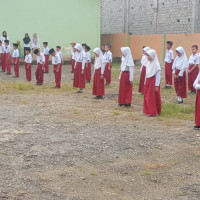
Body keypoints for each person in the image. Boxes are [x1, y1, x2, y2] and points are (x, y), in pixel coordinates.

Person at [143, 49, 161, 117]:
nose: (148, 57)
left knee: (152, 97)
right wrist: (145, 82)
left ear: (152, 56)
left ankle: (153, 112)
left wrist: (156, 85)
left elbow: (158, 76)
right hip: (148, 81)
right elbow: (147, 74)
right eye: (147, 55)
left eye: (149, 55)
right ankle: (147, 110)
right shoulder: (148, 63)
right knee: (147, 96)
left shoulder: (156, 65)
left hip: (153, 82)